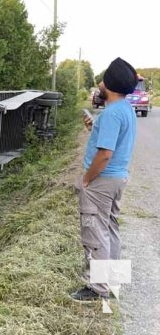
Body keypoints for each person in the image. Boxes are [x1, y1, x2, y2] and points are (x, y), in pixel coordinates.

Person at [70, 57, 138, 303]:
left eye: (102, 78)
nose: (99, 83)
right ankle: (112, 279)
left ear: (108, 83)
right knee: (109, 228)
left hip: (101, 180)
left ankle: (97, 289)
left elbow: (105, 154)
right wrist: (93, 128)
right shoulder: (125, 109)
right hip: (117, 178)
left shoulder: (112, 113)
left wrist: (86, 180)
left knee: (94, 232)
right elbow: (110, 143)